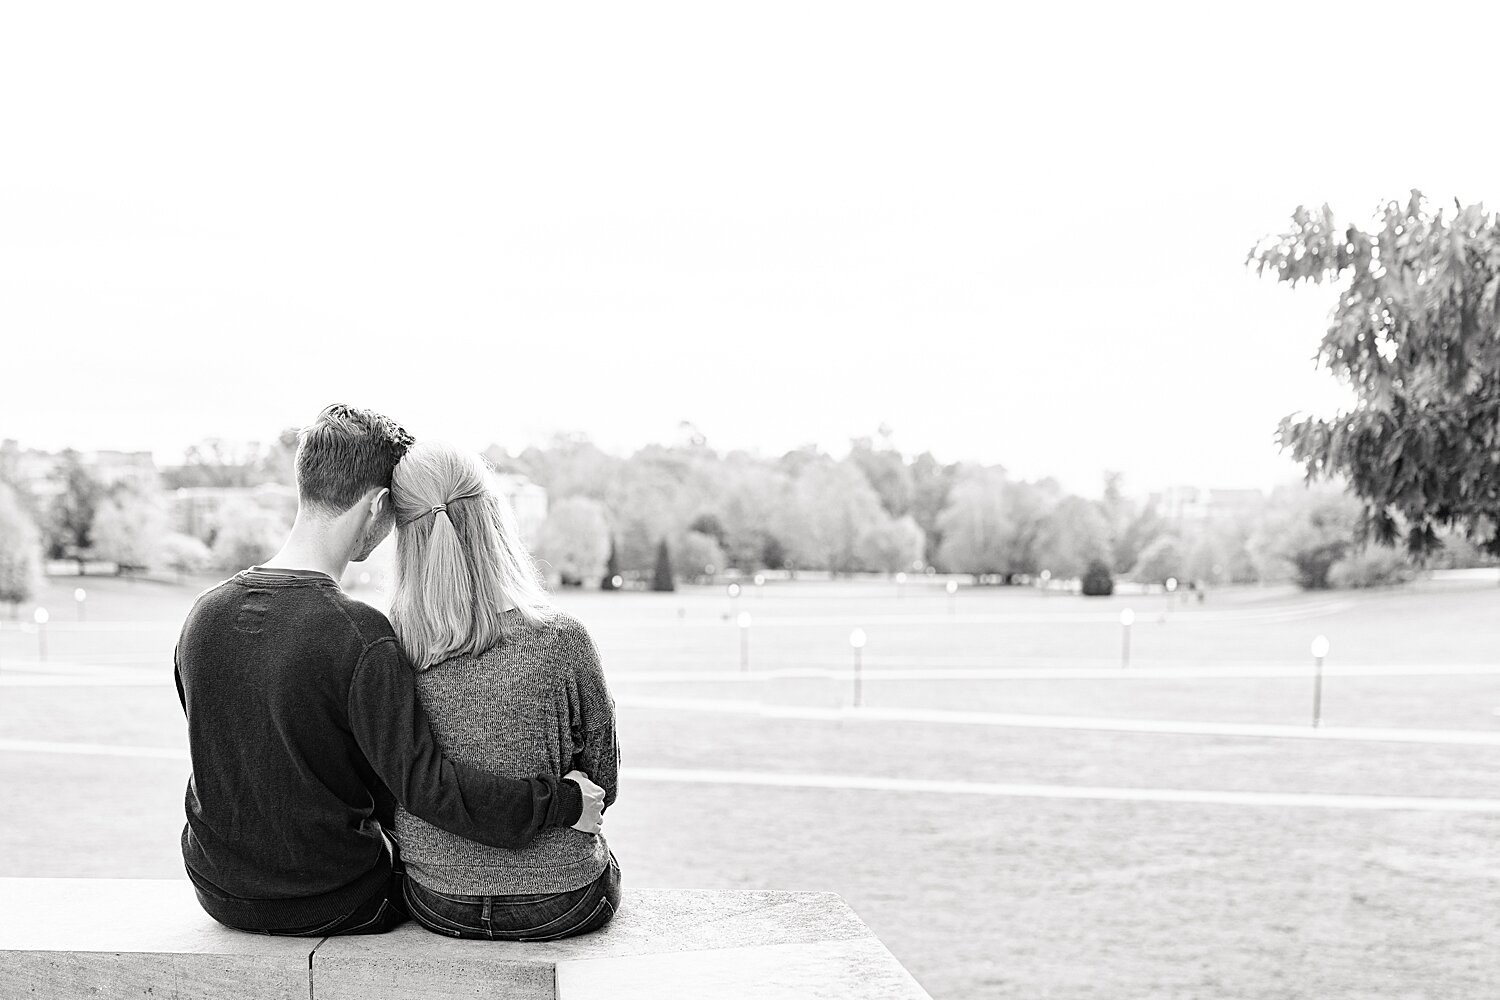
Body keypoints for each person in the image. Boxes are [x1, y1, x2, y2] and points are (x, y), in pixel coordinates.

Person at [174, 404, 606, 936]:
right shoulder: (360, 635)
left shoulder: (203, 616)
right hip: (337, 899)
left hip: (216, 892)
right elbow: (428, 789)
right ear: (380, 506)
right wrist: (562, 801)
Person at [388, 441, 621, 941]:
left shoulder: (390, 645)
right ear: (495, 521)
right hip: (561, 897)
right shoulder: (561, 638)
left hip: (437, 897)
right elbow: (604, 788)